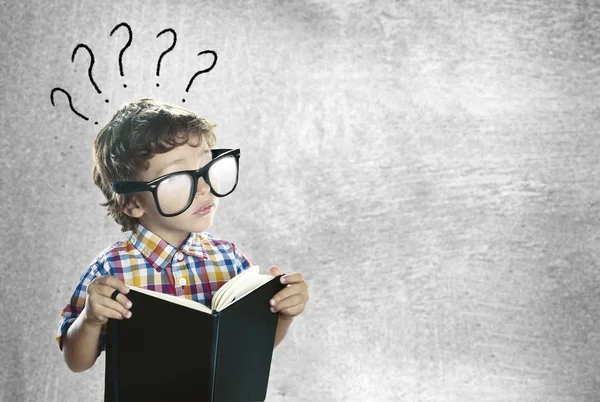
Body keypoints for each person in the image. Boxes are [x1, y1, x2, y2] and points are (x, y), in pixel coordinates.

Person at [56, 98, 309, 373]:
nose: (204, 187)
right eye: (177, 176)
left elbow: (252, 345)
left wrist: (283, 314)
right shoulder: (110, 270)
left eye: (207, 166)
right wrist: (91, 320)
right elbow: (76, 361)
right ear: (132, 203)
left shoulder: (229, 258)